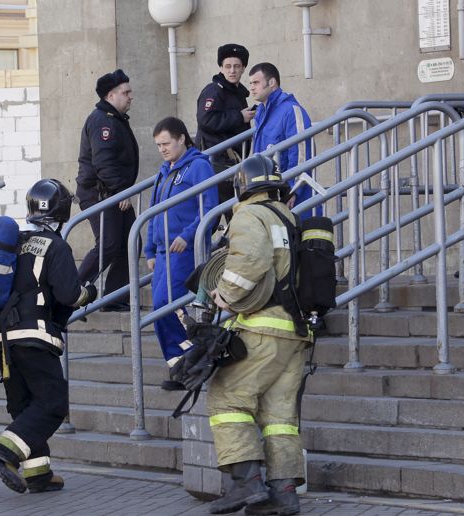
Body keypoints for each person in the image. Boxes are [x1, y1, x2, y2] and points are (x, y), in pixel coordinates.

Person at [206, 155, 313, 515]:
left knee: (227, 398)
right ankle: (283, 495)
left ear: (242, 184)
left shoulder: (249, 215)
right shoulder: (288, 216)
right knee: (279, 416)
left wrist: (225, 295)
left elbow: (250, 259)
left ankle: (246, 483)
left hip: (263, 327)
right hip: (295, 332)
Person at [0, 178, 97, 495]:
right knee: (52, 403)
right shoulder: (56, 246)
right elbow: (67, 293)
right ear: (62, 210)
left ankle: (38, 473)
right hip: (35, 336)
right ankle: (3, 453)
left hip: (3, 338)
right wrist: (88, 293)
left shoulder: (15, 242)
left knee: (24, 406)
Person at [144, 117, 218, 385]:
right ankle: (179, 366)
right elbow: (153, 215)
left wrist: (188, 236)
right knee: (159, 308)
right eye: (158, 145)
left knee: (167, 305)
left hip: (183, 251)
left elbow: (209, 208)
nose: (162, 149)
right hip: (163, 254)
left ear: (182, 139)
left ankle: (193, 361)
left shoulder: (198, 167)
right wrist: (149, 250)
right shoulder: (164, 172)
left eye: (166, 143)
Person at [76, 69, 139, 311]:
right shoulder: (102, 120)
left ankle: (113, 298)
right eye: (126, 92)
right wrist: (121, 191)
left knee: (130, 243)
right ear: (111, 96)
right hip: (101, 194)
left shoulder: (113, 119)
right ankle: (70, 292)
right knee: (109, 245)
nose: (130, 96)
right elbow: (103, 162)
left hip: (112, 193)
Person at [248, 62, 318, 219]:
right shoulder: (260, 112)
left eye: (256, 82)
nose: (252, 88)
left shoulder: (290, 109)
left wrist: (293, 190)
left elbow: (302, 152)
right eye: (251, 83)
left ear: (271, 83)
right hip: (271, 191)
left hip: (293, 194)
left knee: (299, 239)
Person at [195, 43, 253, 219]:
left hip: (230, 163)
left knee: (231, 211)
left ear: (243, 68)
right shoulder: (214, 91)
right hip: (217, 163)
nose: (232, 71)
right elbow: (206, 119)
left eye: (236, 66)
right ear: (221, 67)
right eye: (227, 66)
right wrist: (239, 117)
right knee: (220, 213)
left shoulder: (236, 92)